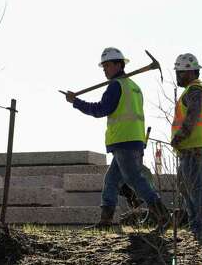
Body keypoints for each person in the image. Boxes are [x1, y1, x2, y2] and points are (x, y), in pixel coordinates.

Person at [66, 47, 170, 229]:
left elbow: (100, 110)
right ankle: (105, 221)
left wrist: (76, 102)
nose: (104, 69)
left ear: (119, 64)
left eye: (107, 65)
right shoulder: (134, 87)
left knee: (135, 179)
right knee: (112, 180)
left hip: (124, 140)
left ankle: (163, 216)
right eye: (103, 66)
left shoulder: (116, 86)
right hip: (134, 140)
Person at [170, 53, 202, 240]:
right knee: (185, 185)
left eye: (180, 72)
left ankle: (201, 228)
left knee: (195, 187)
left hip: (194, 146)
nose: (177, 76)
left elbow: (192, 116)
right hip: (194, 146)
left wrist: (180, 136)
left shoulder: (195, 91)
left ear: (189, 72)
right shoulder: (195, 89)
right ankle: (197, 226)